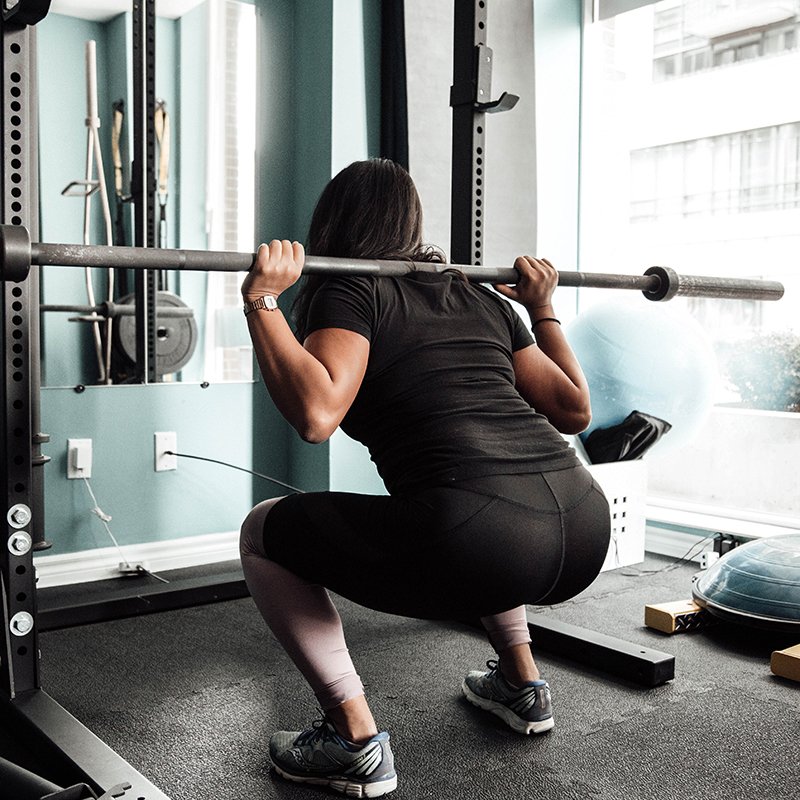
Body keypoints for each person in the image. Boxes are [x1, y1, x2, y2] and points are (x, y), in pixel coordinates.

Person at [239, 158, 611, 798]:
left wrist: (262, 300)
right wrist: (543, 309)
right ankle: (522, 685)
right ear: (412, 221)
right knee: (476, 501)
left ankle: (351, 741)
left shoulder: (351, 287)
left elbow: (316, 413)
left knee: (263, 530)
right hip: (584, 524)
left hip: (484, 533)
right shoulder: (478, 295)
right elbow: (575, 408)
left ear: (331, 221)